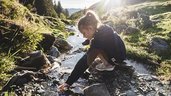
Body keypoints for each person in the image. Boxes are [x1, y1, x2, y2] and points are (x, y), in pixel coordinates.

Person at [58, 10, 126, 92]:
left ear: (90, 28)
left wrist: (68, 83)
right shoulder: (103, 29)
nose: (83, 36)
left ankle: (108, 65)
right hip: (120, 52)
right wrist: (86, 42)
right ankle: (107, 60)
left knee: (92, 51)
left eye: (84, 33)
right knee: (93, 46)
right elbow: (99, 39)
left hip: (117, 59)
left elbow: (84, 62)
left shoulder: (98, 41)